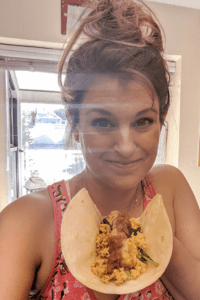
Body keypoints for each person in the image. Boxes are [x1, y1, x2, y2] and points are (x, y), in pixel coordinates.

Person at [0, 0, 200, 299]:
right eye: (103, 122)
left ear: (162, 119)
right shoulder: (25, 222)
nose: (126, 146)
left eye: (143, 121)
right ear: (75, 122)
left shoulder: (169, 189)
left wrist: (151, 240)